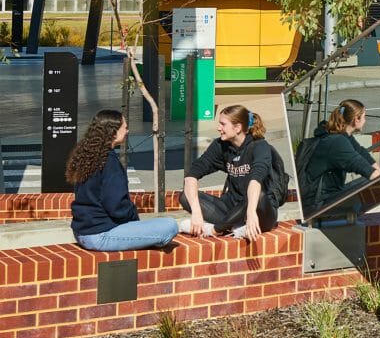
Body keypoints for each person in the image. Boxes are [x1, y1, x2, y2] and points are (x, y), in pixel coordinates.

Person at [67, 110, 178, 251]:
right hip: (101, 235)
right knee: (170, 225)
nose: (127, 131)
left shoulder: (88, 156)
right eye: (125, 127)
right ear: (113, 132)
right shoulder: (109, 162)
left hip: (82, 232)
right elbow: (116, 206)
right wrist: (134, 220)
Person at [180, 104, 278, 240]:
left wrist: (250, 214)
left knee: (258, 196)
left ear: (237, 128)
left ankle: (215, 230)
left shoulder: (260, 146)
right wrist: (196, 212)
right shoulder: (220, 145)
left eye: (223, 124)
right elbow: (192, 175)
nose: (218, 128)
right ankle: (233, 227)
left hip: (259, 210)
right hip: (231, 207)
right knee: (185, 196)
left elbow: (255, 181)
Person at [302, 99, 380, 214]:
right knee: (369, 186)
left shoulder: (343, 136)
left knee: (371, 184)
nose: (365, 120)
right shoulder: (337, 142)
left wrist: (379, 174)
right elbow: (365, 169)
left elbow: (363, 156)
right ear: (356, 119)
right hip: (317, 204)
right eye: (364, 117)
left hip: (324, 197)